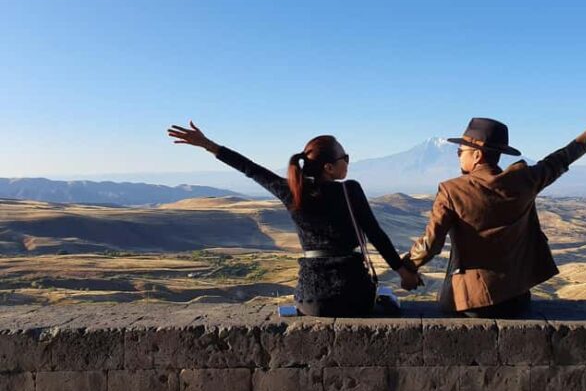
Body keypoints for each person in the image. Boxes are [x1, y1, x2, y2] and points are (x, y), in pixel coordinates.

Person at [401, 102, 586, 318]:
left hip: (471, 302)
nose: (458, 157)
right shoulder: (525, 180)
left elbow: (430, 245)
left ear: (477, 154)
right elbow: (564, 157)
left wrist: (407, 269)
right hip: (517, 300)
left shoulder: (452, 190)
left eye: (460, 152)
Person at [167, 122, 422, 316]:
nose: (348, 162)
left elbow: (250, 169)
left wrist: (208, 144)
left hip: (311, 300)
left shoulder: (292, 192)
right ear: (329, 168)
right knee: (386, 300)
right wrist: (404, 273)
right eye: (345, 158)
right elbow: (376, 234)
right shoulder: (349, 189)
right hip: (353, 297)